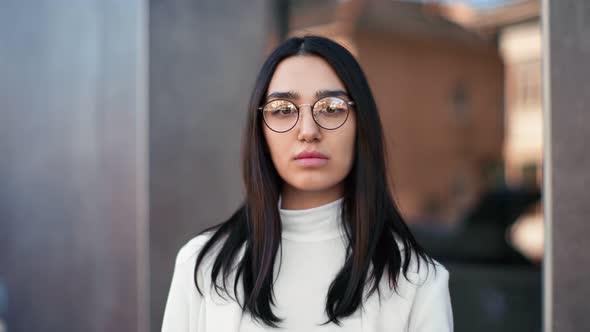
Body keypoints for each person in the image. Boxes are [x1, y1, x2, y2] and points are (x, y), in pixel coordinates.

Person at [161, 35, 453, 332]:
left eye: (331, 107)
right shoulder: (202, 267)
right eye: (283, 110)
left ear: (361, 124)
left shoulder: (417, 281)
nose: (308, 131)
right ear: (260, 131)